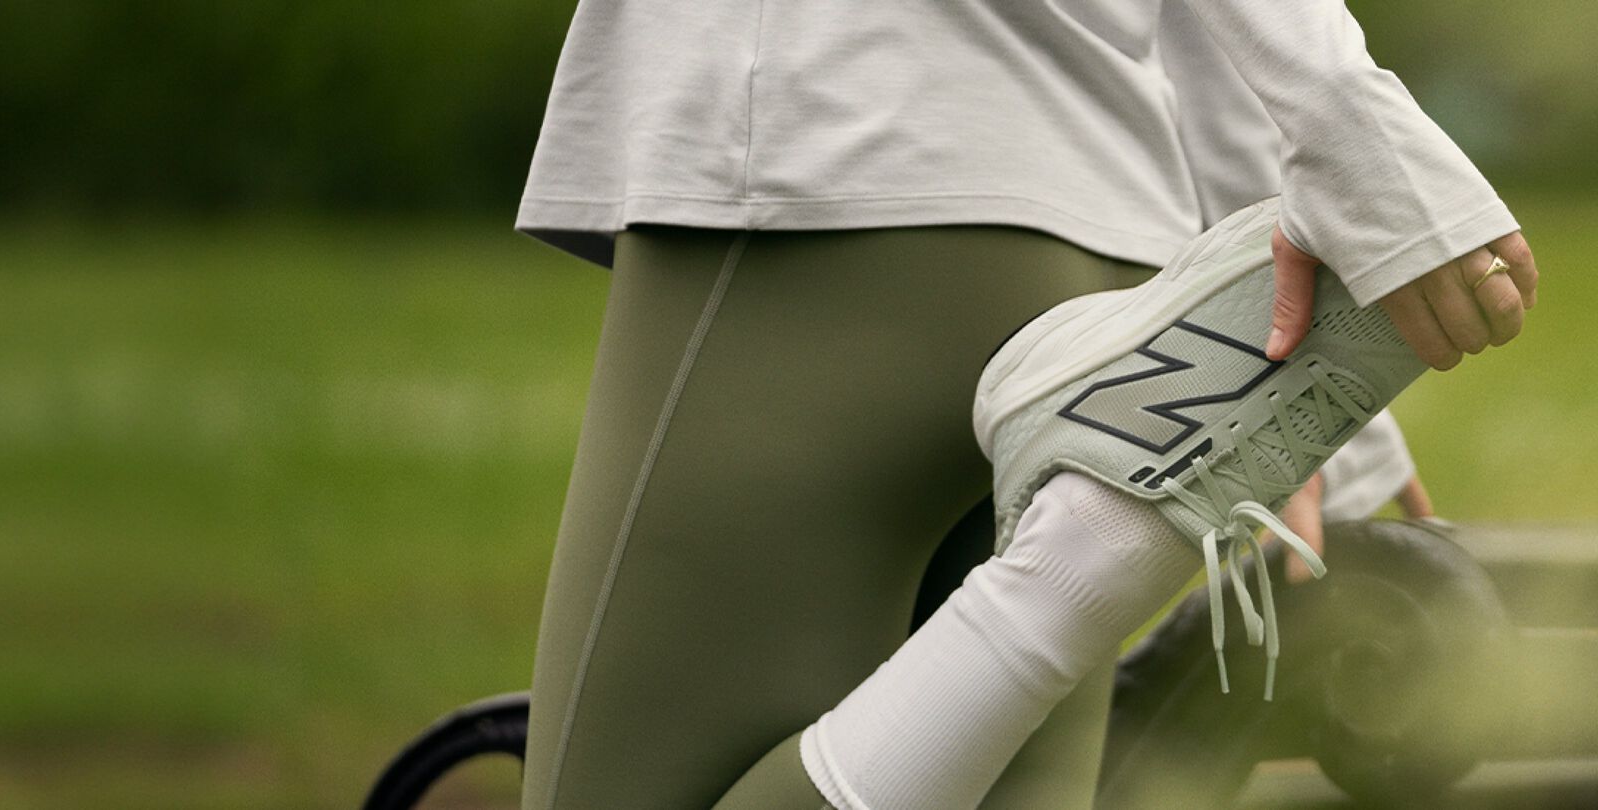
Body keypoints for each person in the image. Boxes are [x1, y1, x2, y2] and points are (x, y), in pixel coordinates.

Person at [513, 1, 1538, 808]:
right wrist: (1277, 291)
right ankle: (1094, 546)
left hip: (823, 162)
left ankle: (1087, 552)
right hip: (1102, 251)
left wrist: (1346, 125)